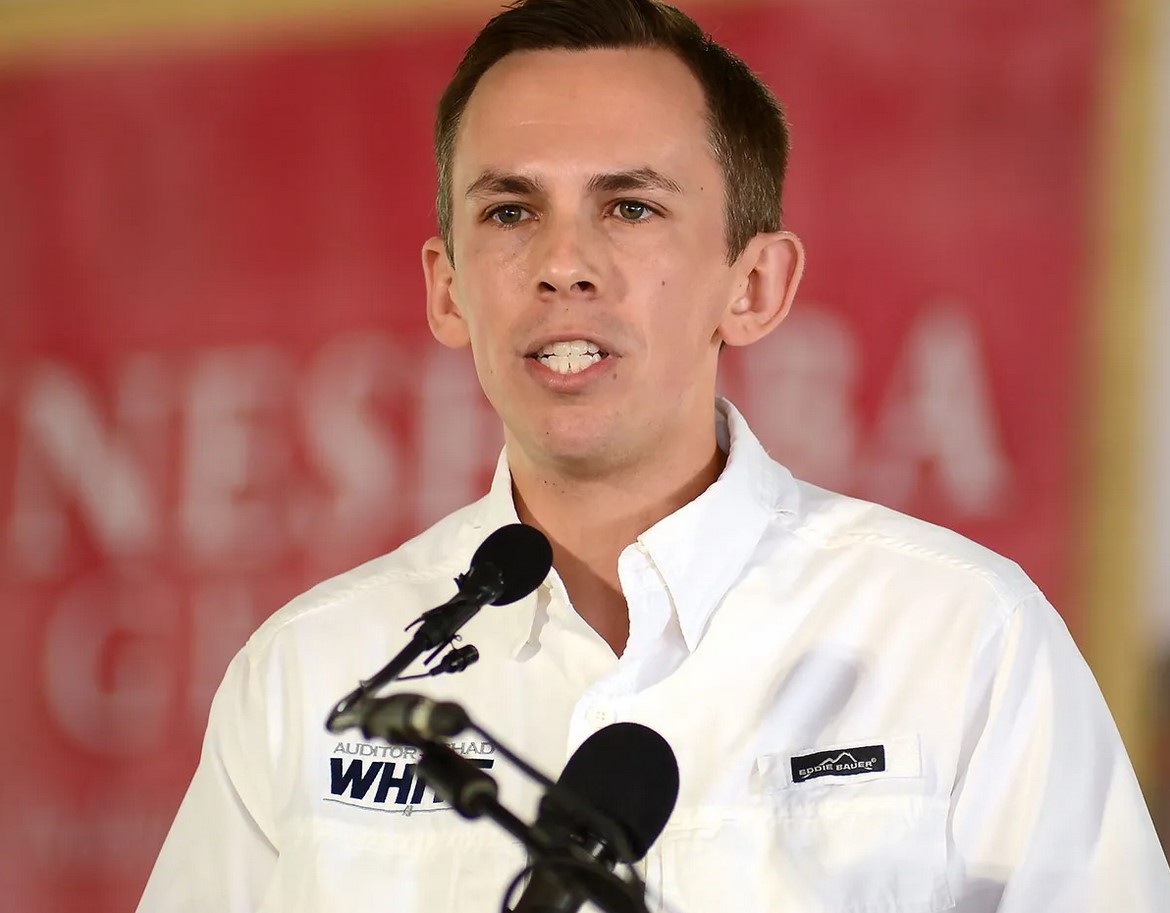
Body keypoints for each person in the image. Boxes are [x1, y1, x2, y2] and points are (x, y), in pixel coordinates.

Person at [137, 0, 1170, 910]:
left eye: (630, 207)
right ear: (448, 290)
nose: (563, 264)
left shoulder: (960, 638)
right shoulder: (314, 673)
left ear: (754, 286)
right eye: (510, 211)